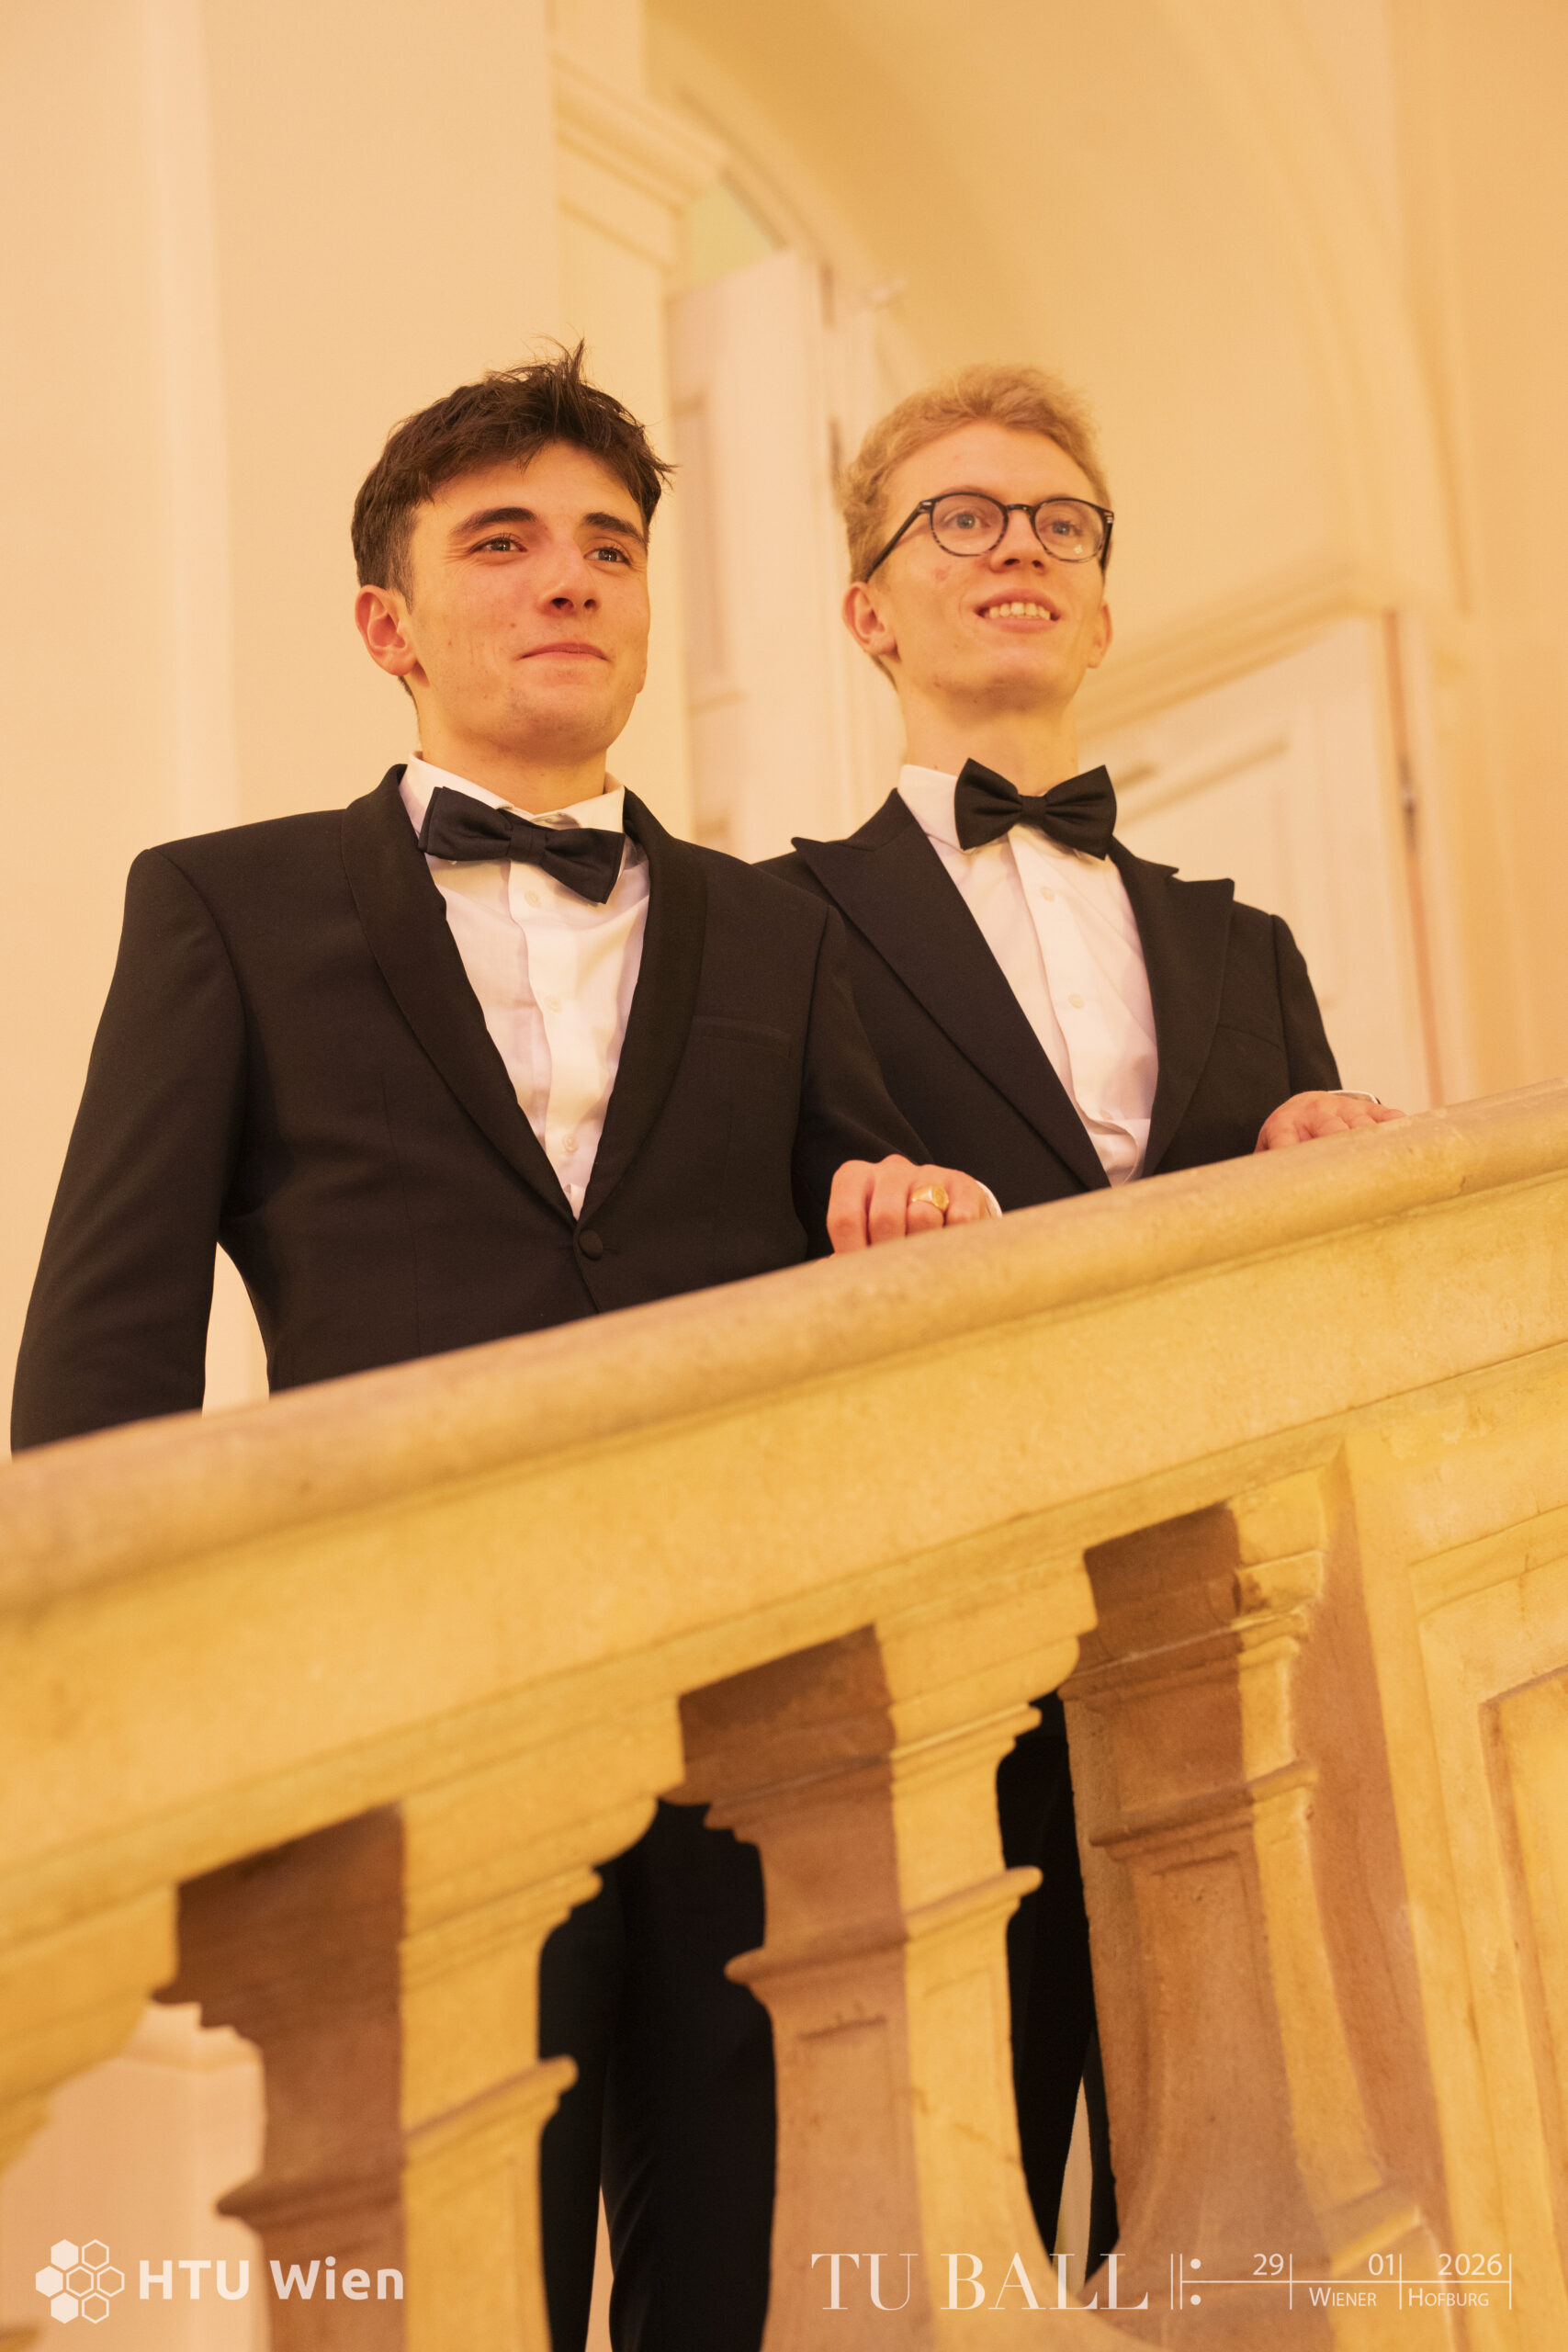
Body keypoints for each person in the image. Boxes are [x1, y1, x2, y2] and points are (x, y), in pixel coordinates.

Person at [9, 347, 994, 2352]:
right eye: (504, 541)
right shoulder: (220, 906)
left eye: (610, 547)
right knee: (441, 2279)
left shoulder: (782, 932)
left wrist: (913, 1203)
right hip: (401, 1707)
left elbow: (873, 1222)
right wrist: (130, 1730)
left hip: (750, 1700)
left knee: (743, 2257)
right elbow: (107, 1341)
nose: (569, 577)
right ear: (388, 624)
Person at [765, 362, 1403, 2266]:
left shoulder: (1246, 950)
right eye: (958, 518)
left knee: (1243, 2192)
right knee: (939, 2217)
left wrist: (1313, 1152)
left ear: (1104, 606)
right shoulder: (766, 924)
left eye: (1058, 523)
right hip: (935, 1646)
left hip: (1222, 1631)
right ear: (869, 608)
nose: (1017, 550)